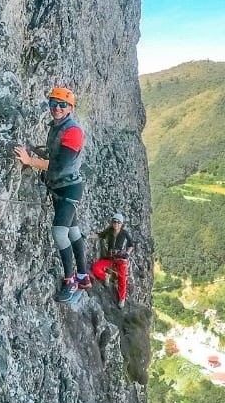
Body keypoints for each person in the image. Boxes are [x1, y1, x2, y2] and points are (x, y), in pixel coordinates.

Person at [14, 86, 91, 302]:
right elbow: (54, 153)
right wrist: (36, 151)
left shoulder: (73, 131)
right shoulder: (57, 127)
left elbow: (61, 164)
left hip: (69, 188)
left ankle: (71, 281)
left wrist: (30, 161)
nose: (56, 108)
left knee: (59, 233)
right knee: (73, 232)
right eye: (53, 103)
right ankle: (83, 276)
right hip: (61, 188)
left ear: (70, 108)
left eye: (62, 104)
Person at [90, 212, 135, 307]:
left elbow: (131, 245)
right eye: (114, 222)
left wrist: (127, 253)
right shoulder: (109, 231)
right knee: (96, 267)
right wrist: (87, 236)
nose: (116, 224)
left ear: (121, 224)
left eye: (118, 222)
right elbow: (100, 235)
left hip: (121, 259)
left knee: (122, 278)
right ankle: (105, 276)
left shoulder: (124, 233)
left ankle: (122, 298)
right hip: (110, 258)